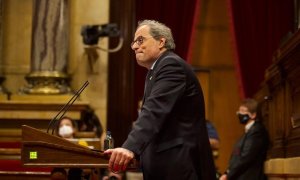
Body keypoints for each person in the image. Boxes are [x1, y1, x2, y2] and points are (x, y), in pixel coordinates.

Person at [104, 19, 216, 180]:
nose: (135, 46)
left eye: (140, 40)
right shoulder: (155, 71)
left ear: (161, 42)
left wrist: (130, 148)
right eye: (134, 42)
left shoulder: (170, 65)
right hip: (167, 166)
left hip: (179, 166)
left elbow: (154, 111)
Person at [219, 98, 269, 180]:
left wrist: (228, 175)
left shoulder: (257, 131)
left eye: (242, 111)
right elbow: (236, 156)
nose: (238, 113)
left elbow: (245, 157)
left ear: (253, 115)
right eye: (239, 111)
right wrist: (227, 172)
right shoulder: (247, 132)